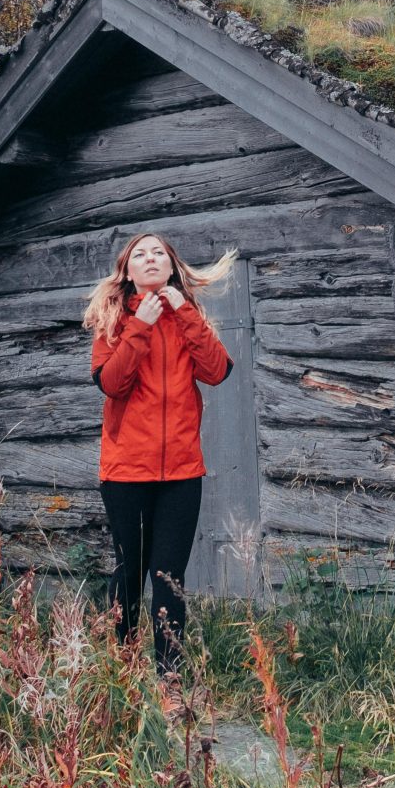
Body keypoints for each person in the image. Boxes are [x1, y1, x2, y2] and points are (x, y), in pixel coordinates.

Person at [83, 231, 236, 670]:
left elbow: (217, 371)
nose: (150, 259)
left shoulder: (188, 318)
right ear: (127, 271)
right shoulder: (113, 321)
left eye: (159, 254)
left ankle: (170, 681)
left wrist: (183, 313)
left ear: (171, 267)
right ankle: (125, 669)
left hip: (182, 475)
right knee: (130, 574)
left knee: (169, 580)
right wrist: (140, 327)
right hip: (127, 473)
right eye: (140, 254)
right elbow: (112, 384)